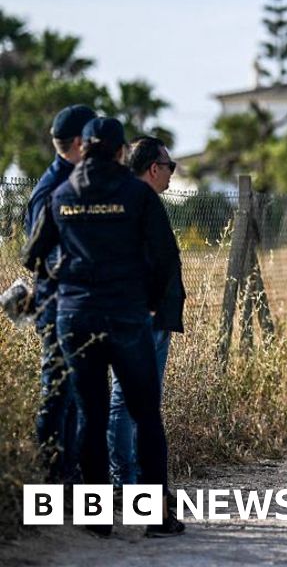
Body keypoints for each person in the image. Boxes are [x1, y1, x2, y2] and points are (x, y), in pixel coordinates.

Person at [22, 117, 185, 538]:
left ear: (85, 148)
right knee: (145, 414)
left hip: (75, 319)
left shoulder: (62, 194)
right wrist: (149, 304)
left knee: (92, 415)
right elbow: (167, 258)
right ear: (118, 153)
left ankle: (97, 520)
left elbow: (32, 254)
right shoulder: (137, 195)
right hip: (127, 317)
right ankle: (154, 516)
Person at [24, 104, 96, 485]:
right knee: (57, 395)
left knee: (71, 397)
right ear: (81, 142)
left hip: (73, 305)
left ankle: (69, 477)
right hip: (58, 306)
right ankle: (53, 481)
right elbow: (42, 257)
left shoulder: (76, 181)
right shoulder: (52, 190)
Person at [108, 136, 185, 487]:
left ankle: (131, 475)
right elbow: (160, 259)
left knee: (138, 401)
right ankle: (125, 478)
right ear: (154, 168)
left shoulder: (123, 198)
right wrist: (153, 306)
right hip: (142, 317)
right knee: (127, 400)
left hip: (145, 316)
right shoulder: (138, 202)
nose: (172, 173)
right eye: (170, 166)